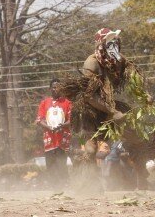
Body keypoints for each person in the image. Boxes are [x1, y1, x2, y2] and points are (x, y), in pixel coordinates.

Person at [59, 28, 154, 189]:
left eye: (115, 42)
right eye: (110, 42)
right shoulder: (92, 63)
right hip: (90, 110)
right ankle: (90, 185)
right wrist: (112, 111)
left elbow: (133, 78)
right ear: (101, 44)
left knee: (137, 139)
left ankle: (142, 179)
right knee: (90, 149)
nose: (114, 45)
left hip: (110, 105)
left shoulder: (118, 59)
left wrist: (144, 95)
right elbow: (89, 95)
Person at [36, 78, 72, 188]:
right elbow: (39, 120)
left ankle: (64, 186)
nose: (56, 89)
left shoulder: (67, 102)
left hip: (62, 138)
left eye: (58, 87)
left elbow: (72, 120)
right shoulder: (44, 103)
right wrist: (48, 127)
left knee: (62, 163)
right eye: (54, 87)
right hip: (49, 139)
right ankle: (53, 188)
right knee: (50, 164)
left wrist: (62, 126)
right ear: (50, 89)